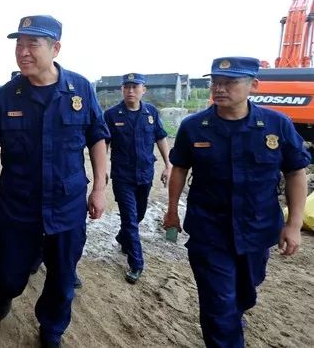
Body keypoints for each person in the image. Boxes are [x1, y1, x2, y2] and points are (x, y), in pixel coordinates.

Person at [0, 15, 110, 348]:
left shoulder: (81, 89)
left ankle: (52, 329)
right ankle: (7, 292)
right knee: (10, 268)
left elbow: (97, 137)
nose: (23, 51)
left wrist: (100, 188)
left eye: (33, 44)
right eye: (19, 44)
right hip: (19, 205)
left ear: (55, 48)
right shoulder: (7, 96)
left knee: (62, 276)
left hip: (66, 204)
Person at [163, 56, 309, 348]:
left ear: (253, 85)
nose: (219, 88)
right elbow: (179, 168)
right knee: (219, 303)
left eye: (229, 82)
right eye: (215, 82)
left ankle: (235, 310)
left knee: (245, 292)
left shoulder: (275, 125)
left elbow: (295, 172)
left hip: (258, 229)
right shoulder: (195, 127)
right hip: (209, 231)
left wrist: (293, 225)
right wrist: (171, 213)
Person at [103, 73, 171, 283]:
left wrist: (168, 164)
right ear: (122, 90)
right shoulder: (112, 115)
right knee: (130, 220)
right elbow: (103, 142)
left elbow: (160, 137)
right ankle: (136, 264)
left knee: (138, 215)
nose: (130, 91)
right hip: (123, 176)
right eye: (127, 87)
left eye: (135, 87)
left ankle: (123, 238)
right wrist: (102, 168)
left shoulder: (151, 112)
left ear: (143, 90)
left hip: (145, 174)